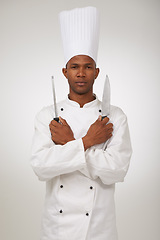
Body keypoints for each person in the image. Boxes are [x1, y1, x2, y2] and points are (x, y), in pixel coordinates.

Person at [31, 6, 132, 240]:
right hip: (57, 228)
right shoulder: (47, 116)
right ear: (65, 72)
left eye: (87, 67)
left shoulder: (115, 117)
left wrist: (68, 144)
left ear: (96, 72)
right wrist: (87, 142)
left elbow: (116, 170)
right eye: (74, 67)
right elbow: (41, 167)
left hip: (99, 227)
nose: (81, 73)